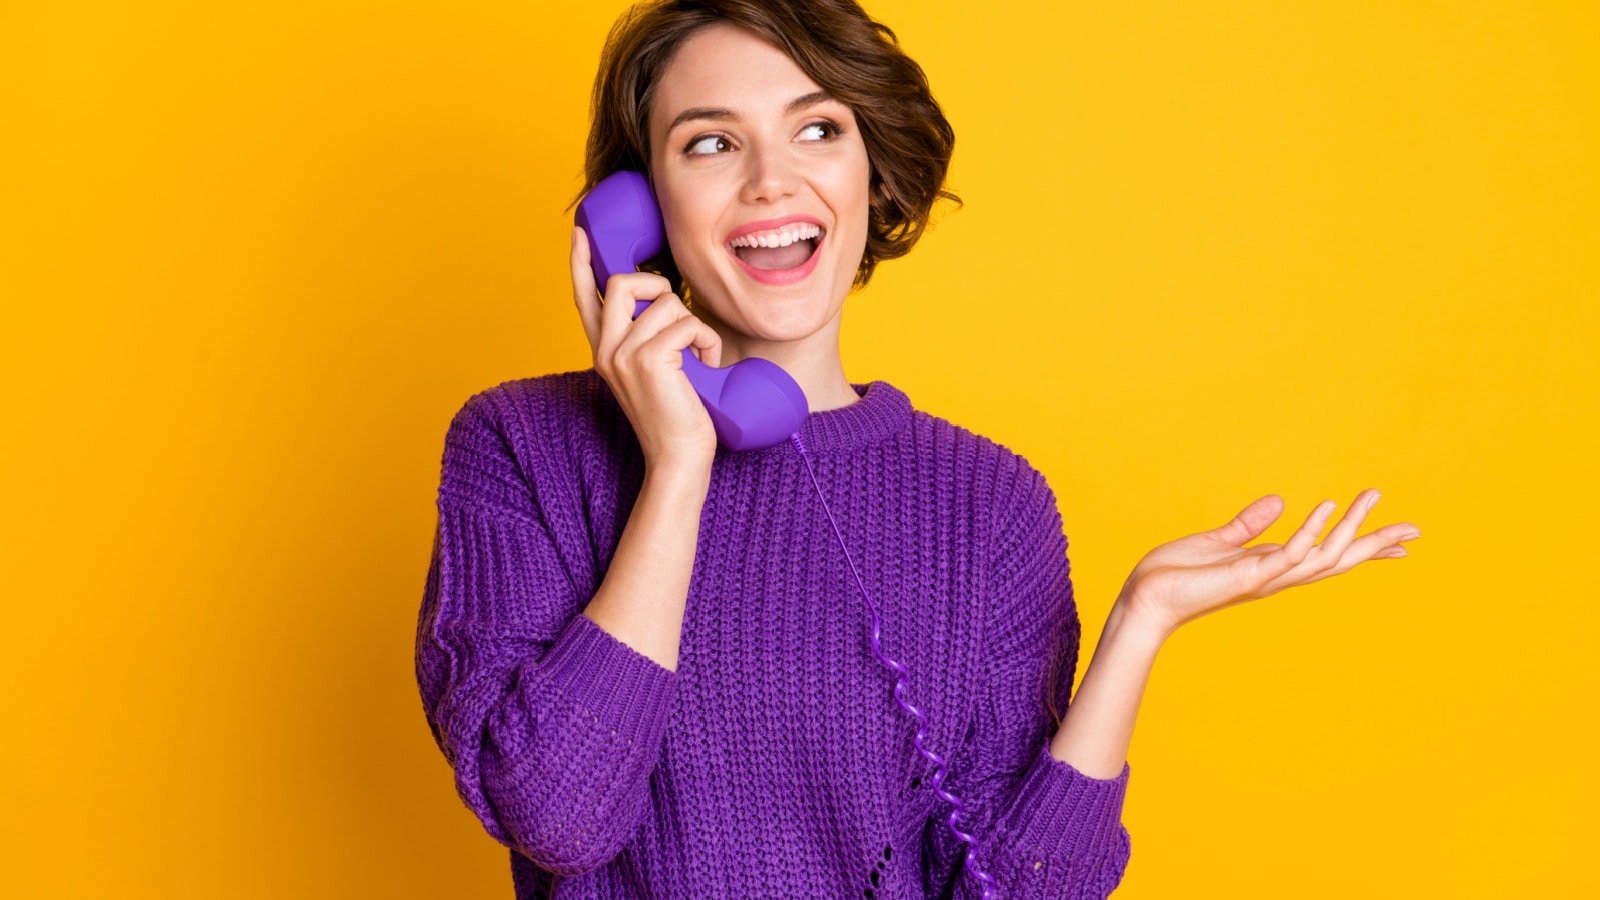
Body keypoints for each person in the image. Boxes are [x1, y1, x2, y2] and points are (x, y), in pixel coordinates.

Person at [414, 2, 1420, 898]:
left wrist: (1137, 628)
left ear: (872, 171)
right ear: (635, 211)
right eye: (711, 144)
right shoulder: (519, 446)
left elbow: (1017, 889)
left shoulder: (989, 500)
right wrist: (677, 466)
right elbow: (558, 817)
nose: (773, 181)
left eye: (817, 129)